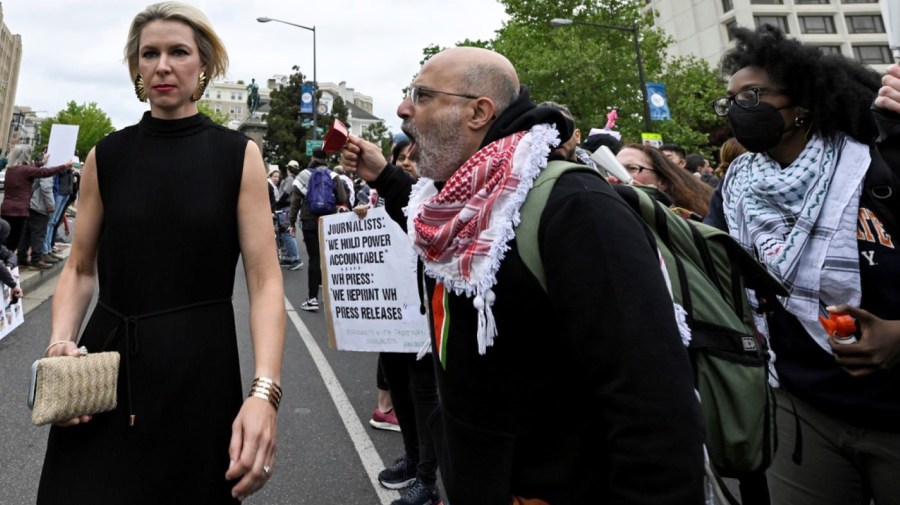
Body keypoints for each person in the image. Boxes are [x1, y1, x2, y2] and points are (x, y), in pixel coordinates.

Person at [342, 46, 705, 505]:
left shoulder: (577, 208)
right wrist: (383, 177)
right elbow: (425, 222)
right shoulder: (455, 202)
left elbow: (654, 407)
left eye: (422, 94)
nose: (403, 108)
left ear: (478, 112)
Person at [37, 3, 285, 504]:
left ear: (204, 66)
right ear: (136, 68)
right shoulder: (107, 155)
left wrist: (264, 394)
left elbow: (265, 281)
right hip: (105, 370)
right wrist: (59, 344)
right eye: (149, 54)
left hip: (200, 373)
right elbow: (81, 266)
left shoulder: (238, 155)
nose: (163, 66)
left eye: (178, 52)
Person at [705, 25, 900, 505]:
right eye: (730, 100)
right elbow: (717, 276)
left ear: (803, 103)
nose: (738, 110)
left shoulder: (877, 165)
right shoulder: (737, 189)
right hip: (804, 410)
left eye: (752, 95)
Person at [288, 148, 349, 311]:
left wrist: (291, 223)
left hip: (309, 221)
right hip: (328, 222)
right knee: (328, 259)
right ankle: (331, 297)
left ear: (313, 158)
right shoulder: (333, 175)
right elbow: (343, 198)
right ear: (326, 160)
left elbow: (295, 202)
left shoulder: (303, 175)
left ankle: (312, 298)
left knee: (314, 259)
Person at [0, 145, 72, 269]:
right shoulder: (25, 170)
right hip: (19, 211)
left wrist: (41, 163)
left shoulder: (11, 169)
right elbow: (45, 172)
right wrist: (64, 166)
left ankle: (15, 261)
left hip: (6, 209)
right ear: (25, 155)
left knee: (6, 239)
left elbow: (33, 170)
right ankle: (6, 268)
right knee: (13, 242)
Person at [616, 143, 714, 218]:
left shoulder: (684, 221)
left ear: (662, 181)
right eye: (611, 167)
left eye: (631, 168)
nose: (615, 175)